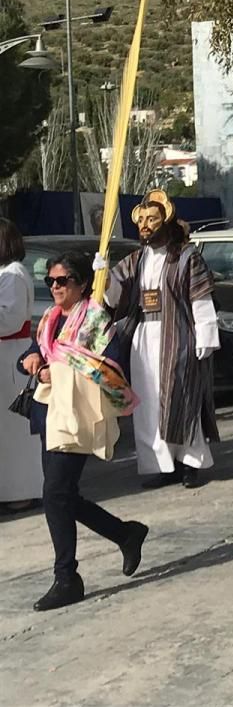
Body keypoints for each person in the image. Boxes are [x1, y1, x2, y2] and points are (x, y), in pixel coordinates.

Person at [19, 251, 146, 611]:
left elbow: (111, 368)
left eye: (63, 281)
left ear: (82, 283)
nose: (56, 287)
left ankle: (66, 577)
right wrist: (31, 362)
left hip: (78, 416)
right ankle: (125, 533)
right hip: (49, 415)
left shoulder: (96, 320)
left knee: (55, 492)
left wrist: (59, 370)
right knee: (61, 495)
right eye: (51, 281)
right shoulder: (49, 319)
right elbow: (34, 353)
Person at [105, 189, 220, 488]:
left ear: (165, 221)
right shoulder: (135, 259)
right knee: (149, 405)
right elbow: (114, 296)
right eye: (141, 220)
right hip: (143, 339)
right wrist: (102, 276)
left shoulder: (186, 257)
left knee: (181, 399)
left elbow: (201, 298)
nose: (145, 225)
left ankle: (190, 464)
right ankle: (161, 465)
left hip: (178, 336)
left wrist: (205, 335)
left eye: (151, 220)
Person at [0, 220, 41, 513]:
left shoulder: (12, 275)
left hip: (10, 354)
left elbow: (9, 319)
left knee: (14, 429)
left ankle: (21, 491)